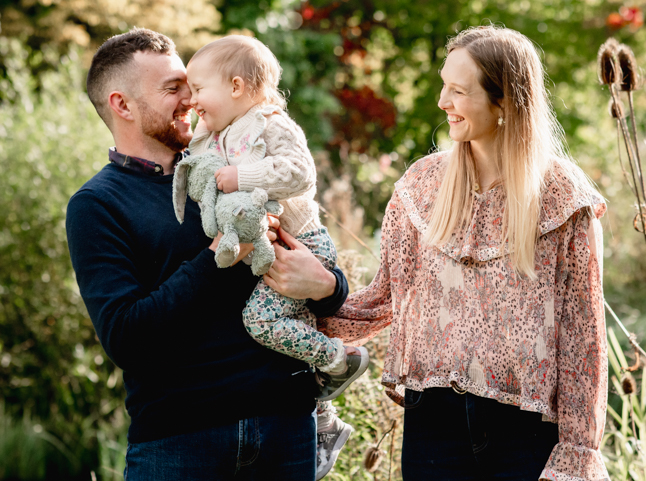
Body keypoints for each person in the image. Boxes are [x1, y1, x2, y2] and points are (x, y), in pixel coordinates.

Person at [320, 25, 610, 481]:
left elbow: (582, 342)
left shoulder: (563, 199)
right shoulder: (422, 186)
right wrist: (306, 299)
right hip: (433, 426)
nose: (442, 102)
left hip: (527, 433)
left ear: (505, 103)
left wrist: (577, 451)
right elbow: (384, 301)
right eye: (443, 86)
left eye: (458, 91)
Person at [66, 28, 349, 480]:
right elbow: (125, 338)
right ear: (122, 105)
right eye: (173, 89)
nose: (192, 100)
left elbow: (316, 267)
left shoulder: (233, 166)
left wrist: (329, 287)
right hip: (179, 443)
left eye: (194, 87)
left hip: (284, 429)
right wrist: (218, 258)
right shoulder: (97, 205)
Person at [177, 35, 369, 476]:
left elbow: (300, 173)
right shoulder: (211, 132)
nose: (192, 99)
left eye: (198, 88)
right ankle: (324, 424)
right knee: (291, 335)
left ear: (238, 87)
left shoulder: (269, 122)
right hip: (262, 245)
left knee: (263, 321)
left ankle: (341, 359)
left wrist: (241, 176)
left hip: (298, 244)